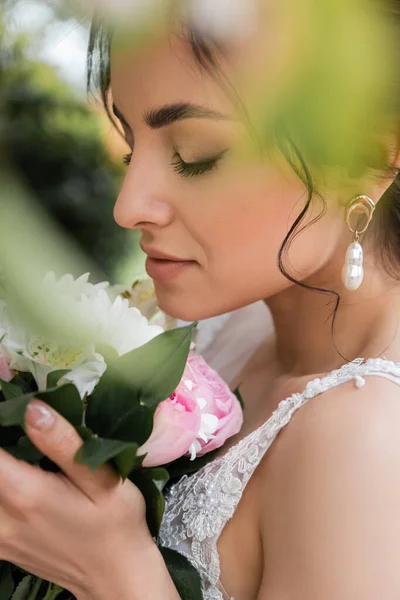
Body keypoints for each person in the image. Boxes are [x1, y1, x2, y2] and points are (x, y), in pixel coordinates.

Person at [1, 1, 400, 599]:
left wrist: (114, 572)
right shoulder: (230, 330)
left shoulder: (365, 444)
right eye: (133, 147)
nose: (128, 206)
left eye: (196, 153)